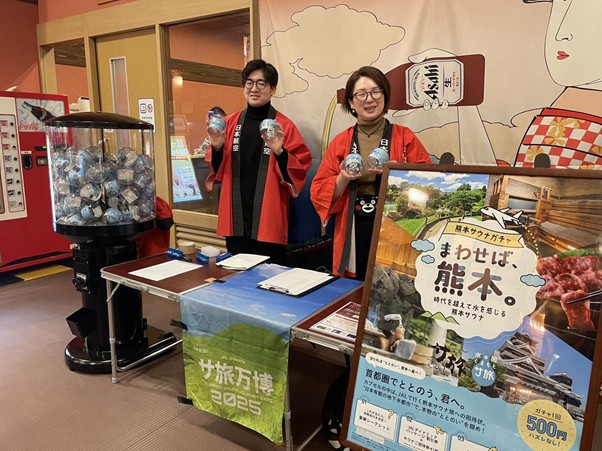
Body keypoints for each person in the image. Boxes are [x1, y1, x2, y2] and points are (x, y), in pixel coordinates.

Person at [311, 66, 431, 280]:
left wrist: (397, 177)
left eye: (376, 91)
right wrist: (343, 178)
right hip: (354, 223)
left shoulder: (405, 137)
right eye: (361, 94)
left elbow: (426, 184)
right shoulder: (341, 141)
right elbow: (320, 191)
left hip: (394, 222)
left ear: (385, 96)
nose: (369, 99)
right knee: (356, 282)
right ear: (351, 102)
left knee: (390, 282)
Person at [204, 59, 312, 264]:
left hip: (268, 217)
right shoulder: (229, 124)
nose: (254, 88)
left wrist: (279, 151)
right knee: (237, 273)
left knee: (270, 275)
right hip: (236, 217)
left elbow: (300, 168)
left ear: (273, 89)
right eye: (249, 83)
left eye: (261, 83)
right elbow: (215, 171)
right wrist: (217, 147)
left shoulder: (284, 127)